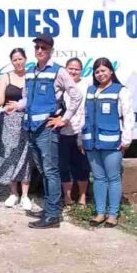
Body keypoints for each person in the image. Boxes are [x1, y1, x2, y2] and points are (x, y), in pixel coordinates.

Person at [6, 33, 83, 229]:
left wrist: (63, 119)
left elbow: (76, 96)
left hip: (47, 131)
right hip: (31, 128)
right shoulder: (31, 71)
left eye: (44, 48)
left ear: (51, 50)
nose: (40, 50)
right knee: (43, 170)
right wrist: (16, 106)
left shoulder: (59, 72)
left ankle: (53, 215)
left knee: (50, 171)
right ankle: (50, 208)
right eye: (37, 47)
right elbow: (27, 99)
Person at [80, 58, 134, 227]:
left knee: (113, 178)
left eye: (104, 70)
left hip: (112, 143)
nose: (100, 74)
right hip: (91, 143)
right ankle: (100, 212)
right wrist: (80, 139)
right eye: (97, 71)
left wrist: (126, 140)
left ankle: (113, 214)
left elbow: (129, 117)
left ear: (111, 71)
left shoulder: (121, 91)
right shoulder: (90, 90)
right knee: (98, 178)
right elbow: (83, 116)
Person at [0, 48, 33, 211]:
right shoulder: (5, 77)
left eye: (20, 59)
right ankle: (13, 193)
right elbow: (0, 98)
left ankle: (25, 195)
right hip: (8, 121)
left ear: (25, 59)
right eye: (15, 59)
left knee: (25, 158)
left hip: (27, 122)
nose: (18, 62)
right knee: (10, 154)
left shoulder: (32, 76)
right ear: (12, 61)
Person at [59, 57, 89, 207]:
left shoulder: (87, 85)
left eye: (76, 69)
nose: (73, 71)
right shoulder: (60, 85)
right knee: (64, 166)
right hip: (63, 132)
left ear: (81, 71)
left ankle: (82, 197)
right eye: (70, 68)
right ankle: (67, 197)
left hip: (81, 131)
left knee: (82, 165)